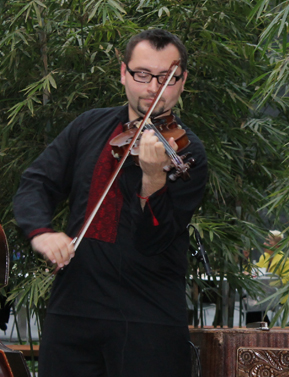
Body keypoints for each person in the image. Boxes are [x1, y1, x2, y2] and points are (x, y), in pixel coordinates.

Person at [13, 29, 207, 376]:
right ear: (123, 73)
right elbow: (36, 183)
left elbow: (156, 240)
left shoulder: (187, 152)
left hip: (148, 317)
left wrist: (153, 179)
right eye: (143, 74)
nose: (152, 87)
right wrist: (41, 232)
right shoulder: (88, 126)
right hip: (74, 310)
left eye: (166, 78)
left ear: (182, 80)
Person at [243, 230, 289, 324]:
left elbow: (288, 280)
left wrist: (270, 283)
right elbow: (256, 272)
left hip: (278, 294)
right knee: (251, 302)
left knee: (252, 305)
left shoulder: (284, 259)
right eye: (265, 241)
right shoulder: (264, 257)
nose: (264, 243)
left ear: (278, 245)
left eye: (268, 242)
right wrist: (246, 259)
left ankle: (260, 326)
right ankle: (264, 325)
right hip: (265, 294)